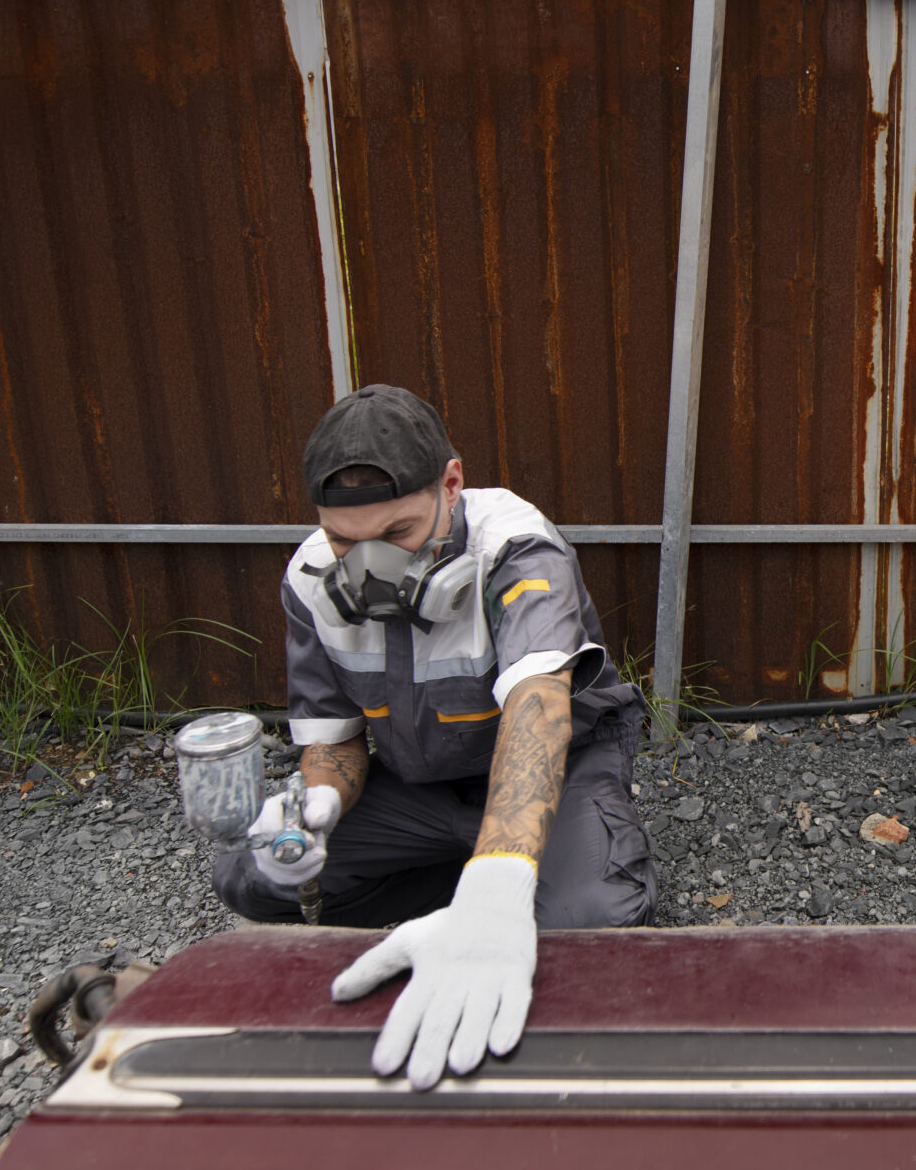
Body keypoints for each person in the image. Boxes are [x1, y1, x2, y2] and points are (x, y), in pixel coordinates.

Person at [213, 384, 656, 1088]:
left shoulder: (516, 549)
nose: (368, 566)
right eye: (344, 540)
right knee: (254, 877)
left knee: (593, 916)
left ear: (451, 483)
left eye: (396, 535)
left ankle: (499, 886)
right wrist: (320, 803)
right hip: (420, 784)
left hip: (556, 768)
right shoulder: (307, 579)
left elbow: (539, 707)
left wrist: (500, 875)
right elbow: (335, 741)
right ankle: (470, 899)